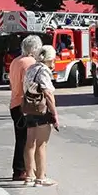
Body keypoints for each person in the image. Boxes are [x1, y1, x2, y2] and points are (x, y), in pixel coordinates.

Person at [22, 45, 60, 187]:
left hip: (28, 108)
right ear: (50, 59)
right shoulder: (44, 71)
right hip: (41, 110)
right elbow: (48, 93)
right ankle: (41, 177)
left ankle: (29, 176)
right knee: (42, 144)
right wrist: (54, 114)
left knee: (29, 143)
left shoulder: (31, 68)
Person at [9, 35, 41, 182]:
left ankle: (19, 169)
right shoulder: (31, 63)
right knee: (29, 140)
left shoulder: (15, 61)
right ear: (34, 49)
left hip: (14, 102)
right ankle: (25, 170)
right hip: (25, 104)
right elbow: (30, 85)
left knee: (20, 138)